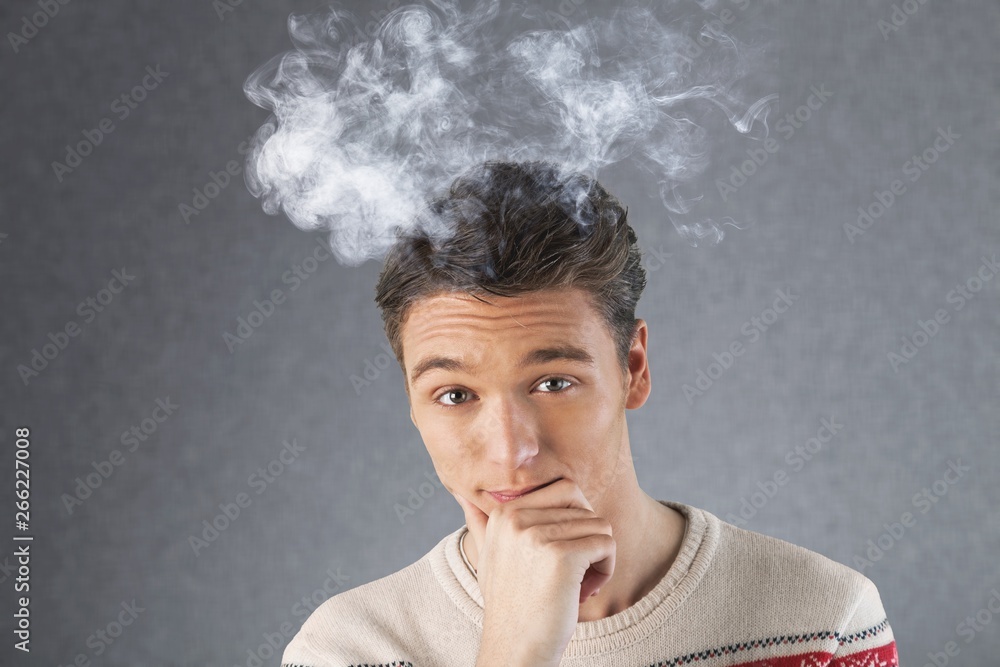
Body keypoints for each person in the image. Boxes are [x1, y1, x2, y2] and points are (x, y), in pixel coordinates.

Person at [280, 161, 899, 666]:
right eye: (455, 395)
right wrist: (515, 652)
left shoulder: (822, 622)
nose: (509, 451)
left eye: (553, 382)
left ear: (633, 368)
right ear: (412, 404)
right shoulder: (344, 650)